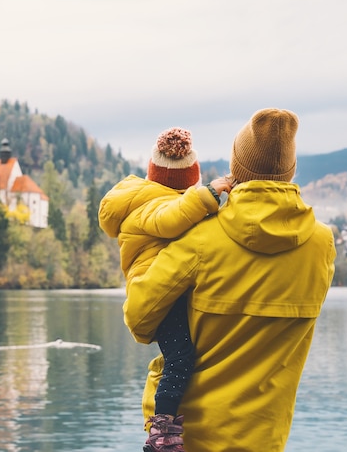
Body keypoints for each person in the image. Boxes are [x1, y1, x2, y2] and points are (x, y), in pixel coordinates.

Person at [124, 108, 337, 452]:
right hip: (265, 437)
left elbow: (139, 318)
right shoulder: (321, 244)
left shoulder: (201, 239)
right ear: (290, 171)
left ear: (236, 168)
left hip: (187, 436)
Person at [98, 127, 233, 452]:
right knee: (181, 357)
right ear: (192, 178)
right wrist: (209, 194)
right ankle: (162, 436)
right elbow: (172, 219)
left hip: (163, 290)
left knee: (180, 356)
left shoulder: (140, 198)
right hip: (159, 293)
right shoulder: (156, 207)